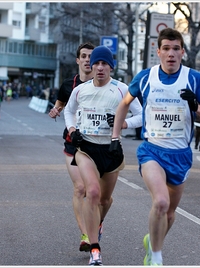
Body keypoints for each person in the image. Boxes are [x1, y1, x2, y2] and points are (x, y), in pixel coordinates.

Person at [111, 28, 200, 266]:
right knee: (160, 202)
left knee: (169, 214)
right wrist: (115, 138)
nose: (171, 54)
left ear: (182, 52)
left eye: (176, 49)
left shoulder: (194, 78)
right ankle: (156, 257)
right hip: (152, 151)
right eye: (166, 49)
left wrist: (195, 106)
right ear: (158, 52)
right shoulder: (146, 77)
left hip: (180, 155)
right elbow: (123, 105)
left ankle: (153, 241)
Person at [64, 45, 142, 266]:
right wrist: (72, 130)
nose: (99, 67)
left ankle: (97, 224)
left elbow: (142, 115)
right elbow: (69, 111)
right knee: (93, 193)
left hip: (111, 149)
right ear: (91, 65)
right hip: (86, 148)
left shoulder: (121, 90)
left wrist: (124, 123)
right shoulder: (81, 90)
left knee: (105, 200)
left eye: (104, 64)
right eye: (96, 63)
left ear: (111, 67)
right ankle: (95, 249)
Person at [48, 42, 95, 253]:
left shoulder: (103, 84)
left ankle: (97, 224)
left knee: (101, 196)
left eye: (90, 57)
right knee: (80, 188)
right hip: (72, 143)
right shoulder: (68, 85)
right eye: (83, 56)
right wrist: (55, 111)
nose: (87, 60)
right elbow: (59, 105)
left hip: (96, 145)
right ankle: (85, 234)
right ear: (78, 60)